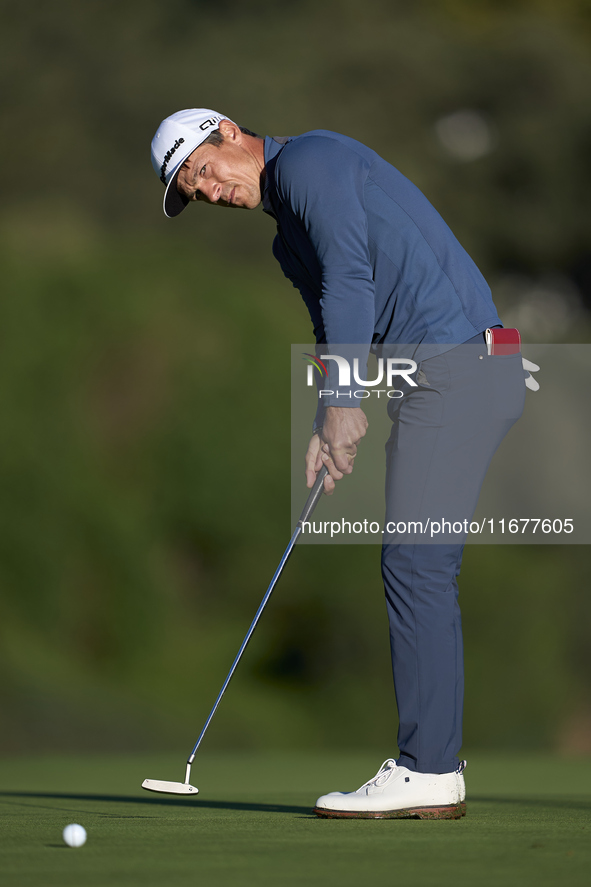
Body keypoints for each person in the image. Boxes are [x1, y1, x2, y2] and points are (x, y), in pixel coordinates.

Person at [150, 108, 533, 820]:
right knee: (418, 564)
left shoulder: (309, 162)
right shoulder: (284, 240)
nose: (207, 190)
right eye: (192, 190)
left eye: (202, 169)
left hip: (461, 365)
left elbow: (352, 277)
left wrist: (342, 401)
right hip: (442, 376)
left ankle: (428, 768)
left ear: (229, 131)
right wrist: (332, 427)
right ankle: (433, 764)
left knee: (415, 564)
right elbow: (331, 316)